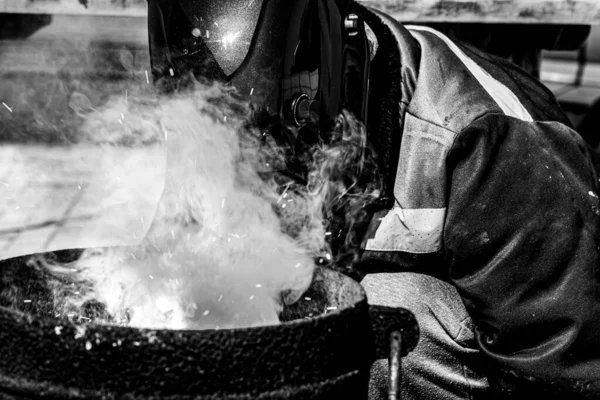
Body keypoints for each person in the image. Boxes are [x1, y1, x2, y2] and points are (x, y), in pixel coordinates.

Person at [147, 0, 600, 398]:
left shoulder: (486, 140)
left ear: (339, 73)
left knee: (379, 311)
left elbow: (564, 365)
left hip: (522, 363)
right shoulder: (206, 124)